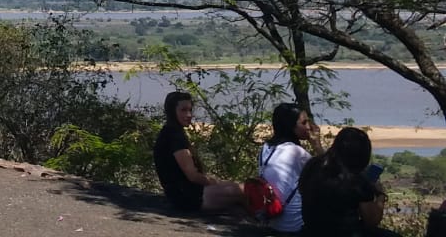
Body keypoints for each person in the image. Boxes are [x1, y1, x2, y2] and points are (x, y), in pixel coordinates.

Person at [152, 90, 247, 213]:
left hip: (183, 195)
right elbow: (193, 176)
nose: (189, 114)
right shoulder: (174, 137)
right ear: (172, 111)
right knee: (245, 191)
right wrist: (216, 182)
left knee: (235, 191)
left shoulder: (170, 132)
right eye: (183, 110)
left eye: (190, 110)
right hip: (189, 197)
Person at [298, 126, 396, 237]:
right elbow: (372, 221)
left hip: (311, 231)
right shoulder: (356, 181)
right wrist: (380, 196)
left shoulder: (312, 166)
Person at [260, 102, 314, 232]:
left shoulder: (266, 148)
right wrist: (316, 144)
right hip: (295, 226)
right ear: (291, 126)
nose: (309, 127)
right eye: (304, 123)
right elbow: (329, 174)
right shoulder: (297, 152)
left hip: (271, 221)